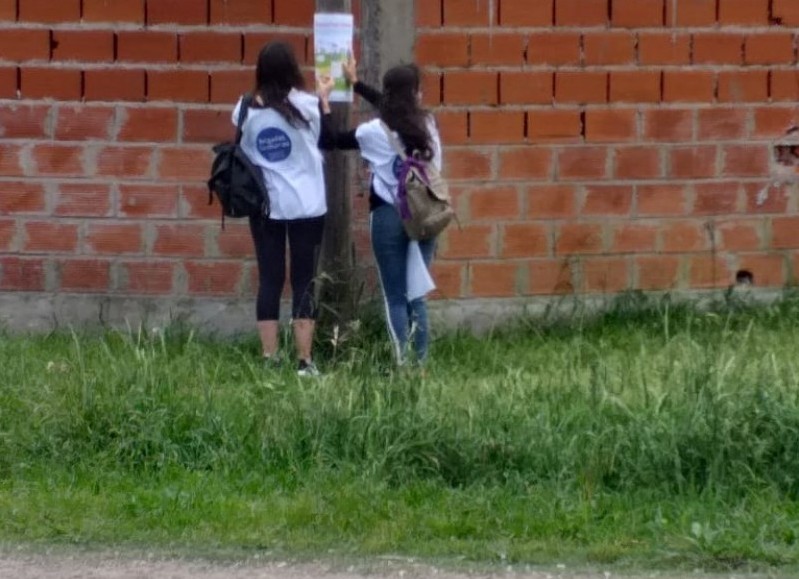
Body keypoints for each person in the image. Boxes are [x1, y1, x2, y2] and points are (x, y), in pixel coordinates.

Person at [317, 59, 443, 366]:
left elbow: (331, 140)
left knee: (395, 296)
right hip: (428, 213)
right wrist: (357, 84)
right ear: (416, 94)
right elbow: (393, 110)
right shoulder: (428, 124)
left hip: (388, 215)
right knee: (417, 294)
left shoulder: (373, 132)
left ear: (389, 93)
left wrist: (324, 102)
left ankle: (401, 365)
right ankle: (421, 365)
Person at [234, 42, 329, 377]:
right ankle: (304, 362)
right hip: (308, 206)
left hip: (265, 206)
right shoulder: (309, 105)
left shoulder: (245, 108)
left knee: (270, 279)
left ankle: (269, 359)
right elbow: (324, 141)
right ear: (293, 70)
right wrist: (326, 100)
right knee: (304, 281)